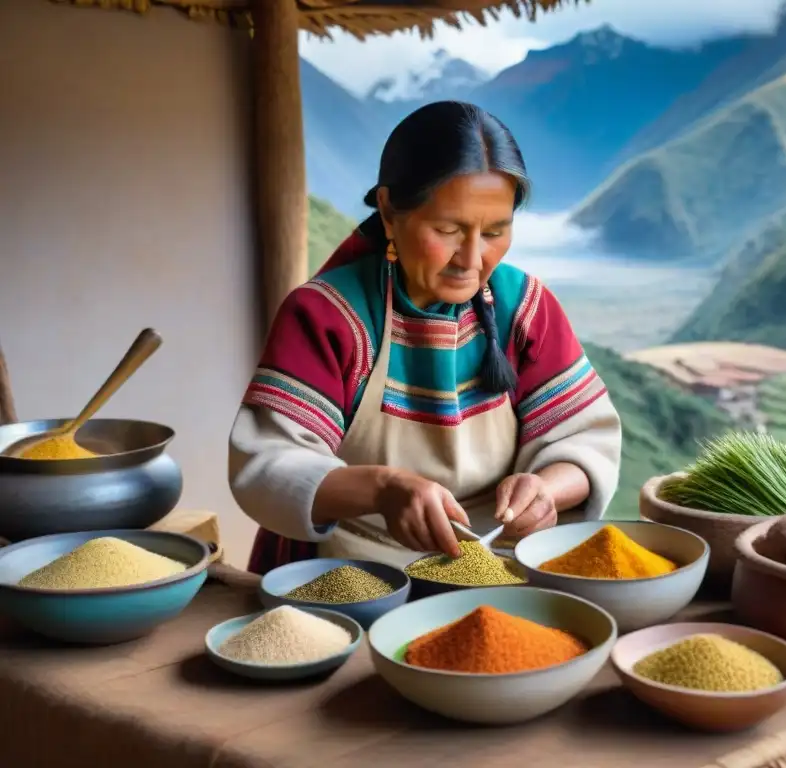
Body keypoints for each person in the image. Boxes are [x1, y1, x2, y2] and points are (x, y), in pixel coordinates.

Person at [229, 101, 623, 573]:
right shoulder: (329, 317)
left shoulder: (526, 308)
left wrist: (547, 489)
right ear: (390, 211)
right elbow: (267, 464)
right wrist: (382, 489)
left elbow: (584, 440)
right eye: (449, 229)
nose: (472, 259)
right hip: (352, 576)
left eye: (496, 232)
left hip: (501, 567)